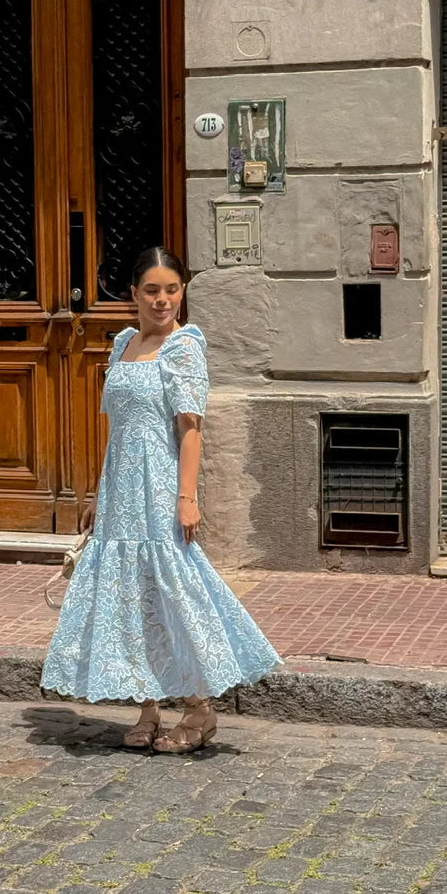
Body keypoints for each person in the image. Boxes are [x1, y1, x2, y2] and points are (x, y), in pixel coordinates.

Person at [40, 247, 282, 752]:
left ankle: (198, 710)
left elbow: (191, 431)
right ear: (133, 294)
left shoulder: (184, 348)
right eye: (152, 290)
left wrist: (187, 498)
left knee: (173, 590)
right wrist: (97, 492)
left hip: (160, 485)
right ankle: (148, 707)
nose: (163, 300)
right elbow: (119, 429)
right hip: (120, 486)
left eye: (172, 289)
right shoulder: (124, 343)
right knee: (130, 596)